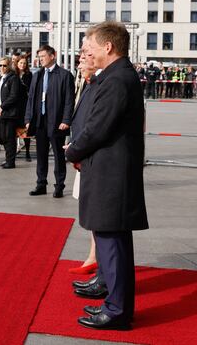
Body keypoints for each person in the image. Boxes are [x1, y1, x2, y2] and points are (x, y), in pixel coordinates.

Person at [65, 21, 147, 331]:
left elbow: (98, 127)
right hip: (109, 170)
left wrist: (72, 151)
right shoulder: (117, 76)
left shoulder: (116, 80)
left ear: (108, 47)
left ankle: (117, 310)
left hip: (111, 173)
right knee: (111, 240)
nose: (86, 52)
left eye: (90, 47)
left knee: (113, 242)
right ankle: (115, 301)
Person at [25, 45, 75, 198]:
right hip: (40, 119)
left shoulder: (65, 75)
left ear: (52, 56)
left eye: (43, 56)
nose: (40, 60)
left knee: (58, 155)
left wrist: (66, 120)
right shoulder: (37, 75)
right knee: (41, 154)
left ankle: (59, 185)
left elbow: (69, 100)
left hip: (56, 120)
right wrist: (28, 118)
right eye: (39, 57)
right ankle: (41, 183)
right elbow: (31, 98)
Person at [69, 47, 99, 276]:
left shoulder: (99, 86)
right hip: (82, 154)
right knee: (89, 208)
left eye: (83, 57)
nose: (79, 61)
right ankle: (93, 256)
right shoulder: (86, 84)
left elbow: (93, 126)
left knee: (96, 212)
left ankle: (95, 259)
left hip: (92, 158)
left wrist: (77, 150)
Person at [0, 56, 25, 169]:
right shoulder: (1, 78)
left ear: (9, 66)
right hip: (1, 111)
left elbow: (13, 96)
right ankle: (8, 159)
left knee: (9, 137)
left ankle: (10, 161)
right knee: (3, 137)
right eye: (0, 65)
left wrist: (2, 107)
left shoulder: (13, 78)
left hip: (10, 113)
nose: (2, 67)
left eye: (4, 65)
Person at [17, 55, 33, 162]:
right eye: (20, 63)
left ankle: (27, 152)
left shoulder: (29, 75)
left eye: (24, 63)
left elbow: (31, 89)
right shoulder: (13, 74)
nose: (22, 65)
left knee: (26, 129)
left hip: (25, 104)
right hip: (15, 105)